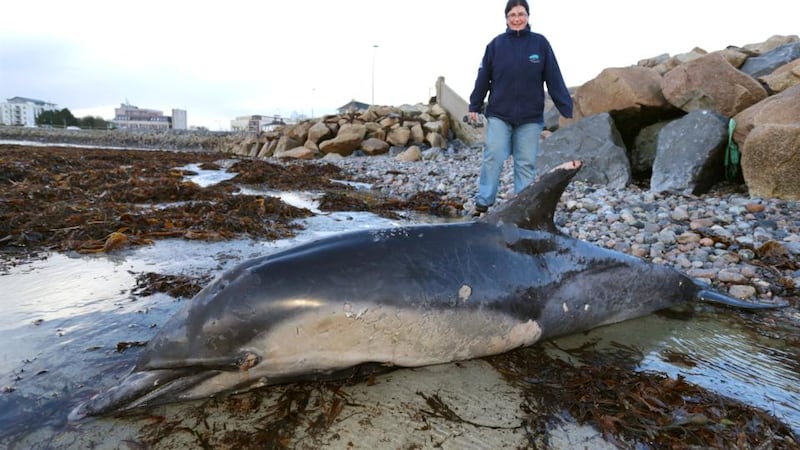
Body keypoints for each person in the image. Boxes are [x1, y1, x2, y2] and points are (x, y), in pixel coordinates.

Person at [468, 0, 573, 216]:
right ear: (506, 18)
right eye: (512, 14)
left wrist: (565, 107)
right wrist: (475, 105)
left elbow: (553, 76)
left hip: (530, 117)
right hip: (499, 113)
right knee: (493, 156)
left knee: (525, 163)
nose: (517, 18)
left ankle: (522, 208)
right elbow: (483, 77)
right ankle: (483, 203)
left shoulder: (540, 44)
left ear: (528, 16)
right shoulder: (495, 45)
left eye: (521, 14)